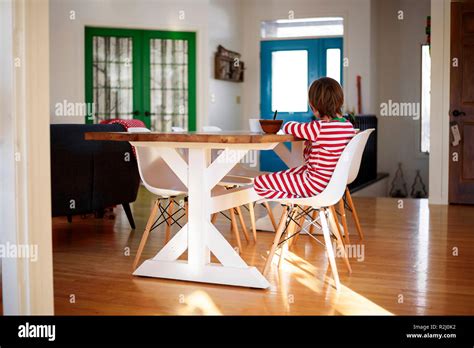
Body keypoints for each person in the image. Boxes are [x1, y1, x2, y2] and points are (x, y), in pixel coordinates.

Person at [254, 77, 355, 199]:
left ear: (315, 107)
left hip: (314, 184)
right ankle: (297, 203)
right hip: (334, 182)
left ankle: (297, 203)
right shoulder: (348, 126)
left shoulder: (318, 128)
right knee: (290, 172)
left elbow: (288, 127)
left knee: (259, 183)